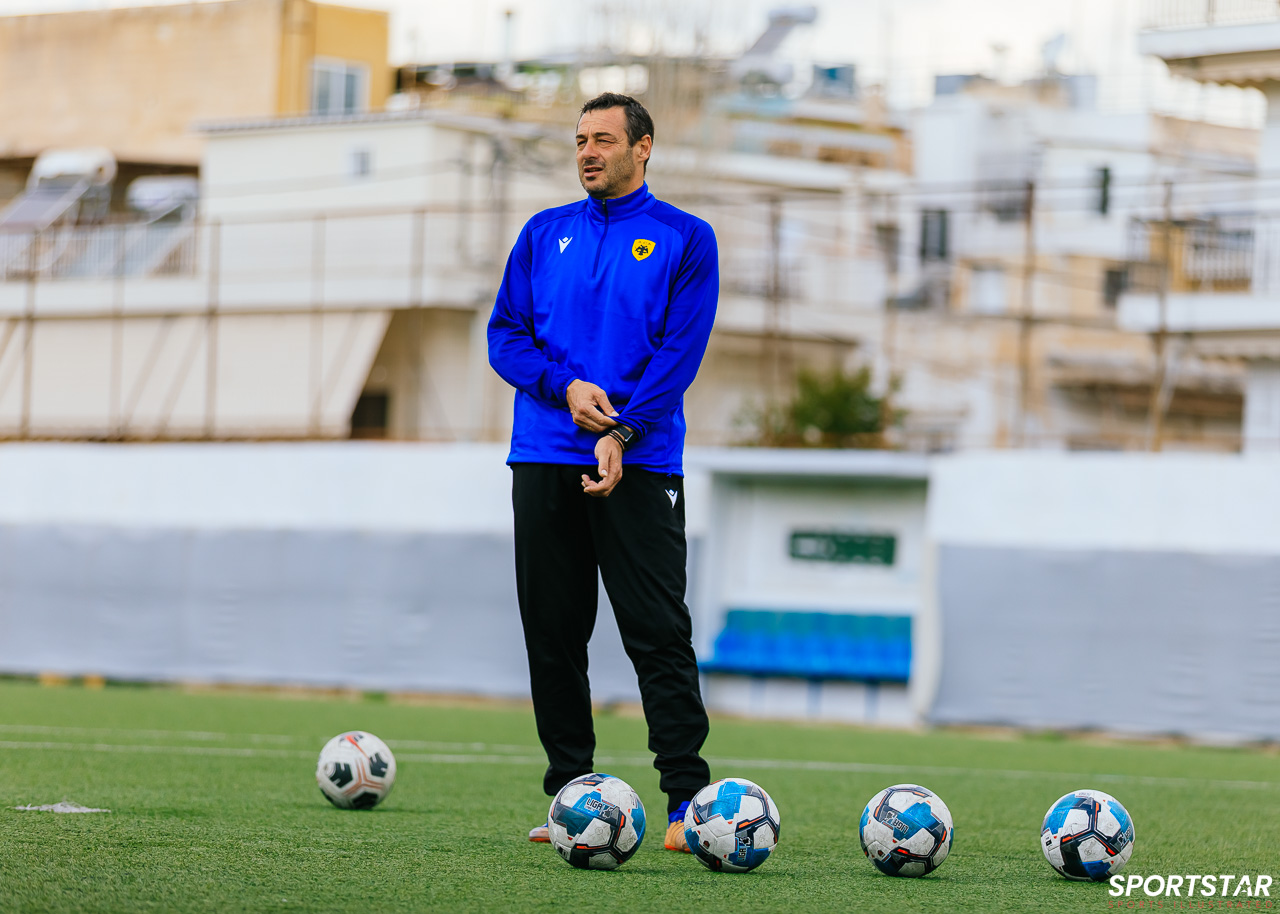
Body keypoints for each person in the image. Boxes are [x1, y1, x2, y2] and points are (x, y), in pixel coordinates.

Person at [487, 92, 719, 853]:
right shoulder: (542, 233)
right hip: (543, 455)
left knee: (658, 631)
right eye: (581, 140)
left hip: (642, 462)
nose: (588, 152)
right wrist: (564, 388)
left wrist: (623, 430)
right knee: (553, 633)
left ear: (643, 147)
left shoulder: (687, 238)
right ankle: (571, 797)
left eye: (604, 140)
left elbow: (680, 353)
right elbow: (505, 337)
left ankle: (686, 804)